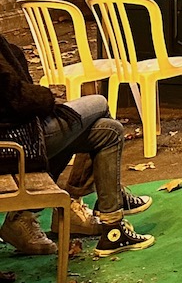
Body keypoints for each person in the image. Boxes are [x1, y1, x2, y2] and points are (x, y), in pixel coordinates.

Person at [0, 35, 153, 256]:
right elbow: (16, 97)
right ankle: (96, 203)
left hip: (18, 135)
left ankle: (113, 228)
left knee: (109, 130)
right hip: (17, 141)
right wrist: (45, 98)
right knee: (99, 102)